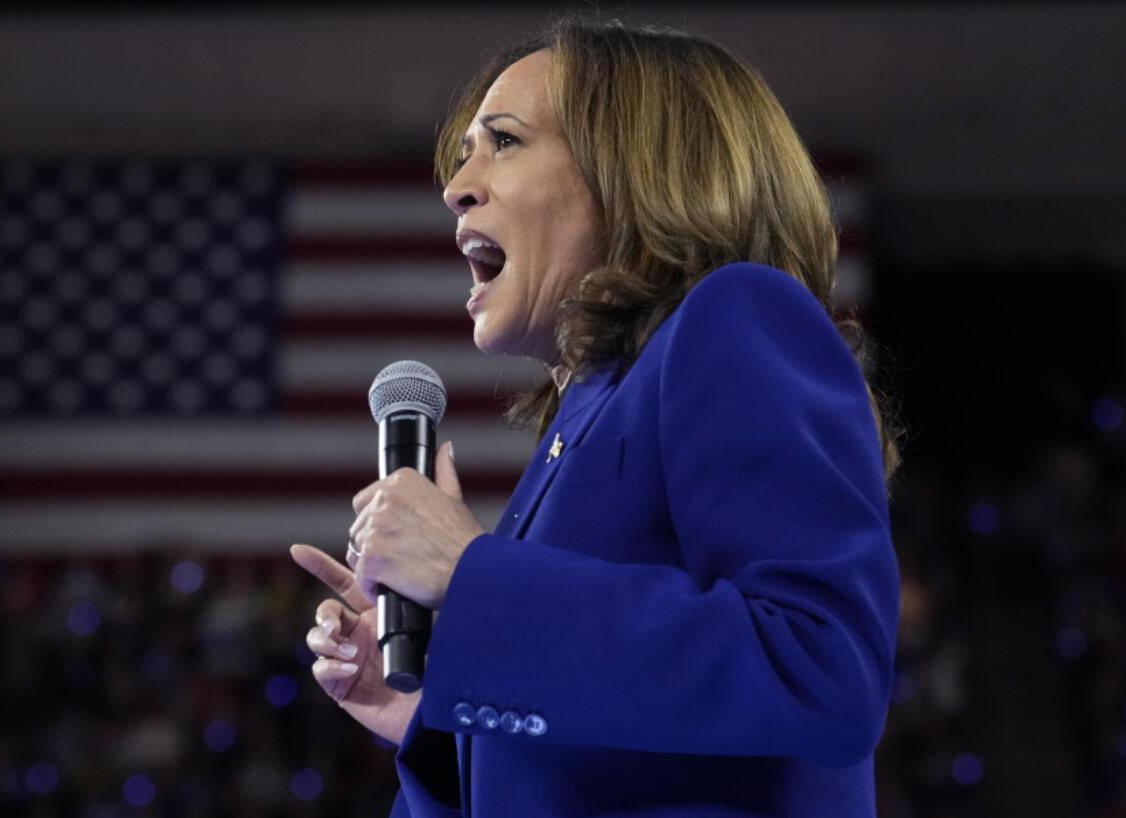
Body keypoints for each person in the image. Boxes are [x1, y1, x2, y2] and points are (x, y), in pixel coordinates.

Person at [290, 18, 901, 817]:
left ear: (638, 171)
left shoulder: (735, 313)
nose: (456, 186)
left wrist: (473, 578)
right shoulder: (570, 435)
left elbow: (822, 667)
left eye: (503, 141)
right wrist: (439, 721)